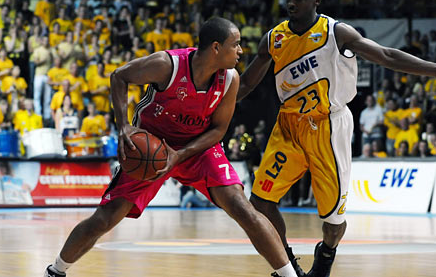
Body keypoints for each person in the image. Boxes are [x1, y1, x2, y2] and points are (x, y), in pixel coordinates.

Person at [44, 17, 298, 277]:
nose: (241, 51)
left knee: (242, 207)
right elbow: (119, 76)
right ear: (215, 48)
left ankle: (288, 275)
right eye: (236, 45)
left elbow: (219, 130)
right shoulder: (167, 65)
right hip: (152, 147)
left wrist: (182, 154)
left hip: (197, 147)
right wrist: (123, 126)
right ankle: (56, 271)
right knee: (105, 218)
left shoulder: (230, 80)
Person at [236, 0, 436, 276]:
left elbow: (387, 56)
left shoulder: (337, 32)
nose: (291, 3)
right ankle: (287, 264)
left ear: (316, 0)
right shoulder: (274, 37)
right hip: (289, 125)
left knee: (333, 220)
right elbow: (248, 83)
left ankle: (326, 254)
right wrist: (213, 106)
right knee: (260, 201)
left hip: (329, 127)